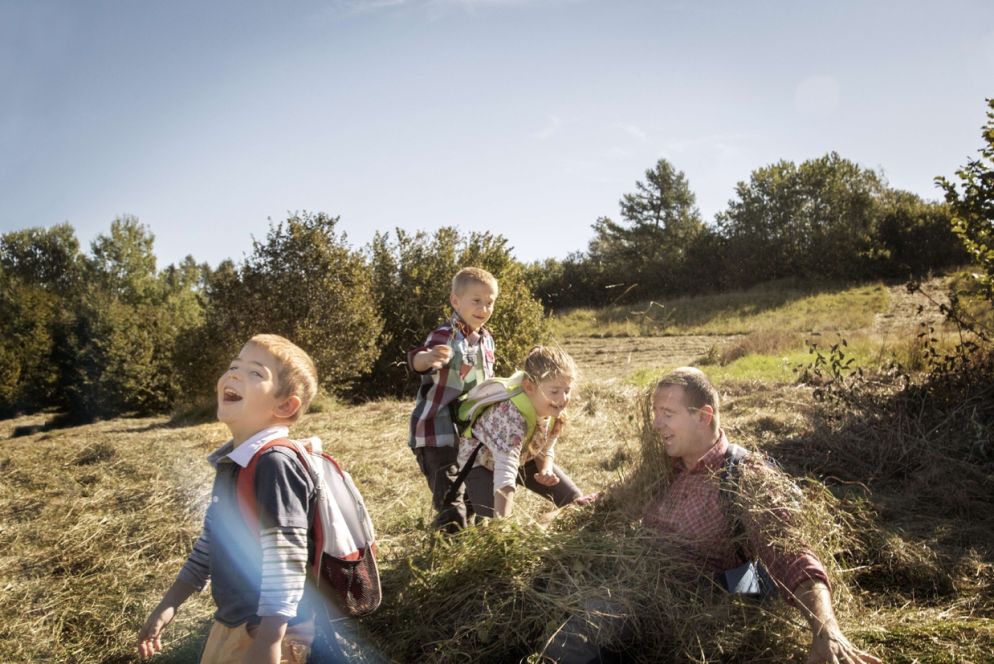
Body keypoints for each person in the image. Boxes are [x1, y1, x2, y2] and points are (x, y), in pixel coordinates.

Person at [543, 367, 881, 663]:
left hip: (689, 615)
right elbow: (611, 500)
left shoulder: (744, 478)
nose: (657, 424)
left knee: (578, 638)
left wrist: (825, 628)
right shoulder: (663, 469)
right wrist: (556, 519)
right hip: (633, 586)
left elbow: (793, 556)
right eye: (656, 413)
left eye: (667, 413)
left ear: (703, 416)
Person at [137, 334, 344, 664]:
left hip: (267, 634)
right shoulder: (234, 462)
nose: (234, 374)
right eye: (235, 365)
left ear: (285, 406)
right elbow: (211, 542)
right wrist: (170, 603)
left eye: (255, 372)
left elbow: (286, 559)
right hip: (234, 623)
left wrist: (269, 641)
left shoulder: (275, 464)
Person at [407, 267, 498, 531]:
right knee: (450, 498)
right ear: (456, 301)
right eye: (476, 300)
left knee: (471, 495)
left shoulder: (487, 340)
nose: (483, 308)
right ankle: (450, 540)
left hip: (470, 433)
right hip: (436, 432)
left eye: (489, 302)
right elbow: (417, 359)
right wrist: (428, 358)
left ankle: (460, 538)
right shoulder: (446, 335)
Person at [460, 345, 595, 518]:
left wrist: (545, 469)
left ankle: (470, 499)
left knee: (574, 500)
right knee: (491, 516)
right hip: (481, 462)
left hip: (522, 457)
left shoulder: (554, 411)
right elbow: (505, 472)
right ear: (529, 387)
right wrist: (503, 525)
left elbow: (545, 448)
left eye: (567, 390)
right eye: (554, 391)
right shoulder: (511, 417)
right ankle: (465, 503)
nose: (563, 399)